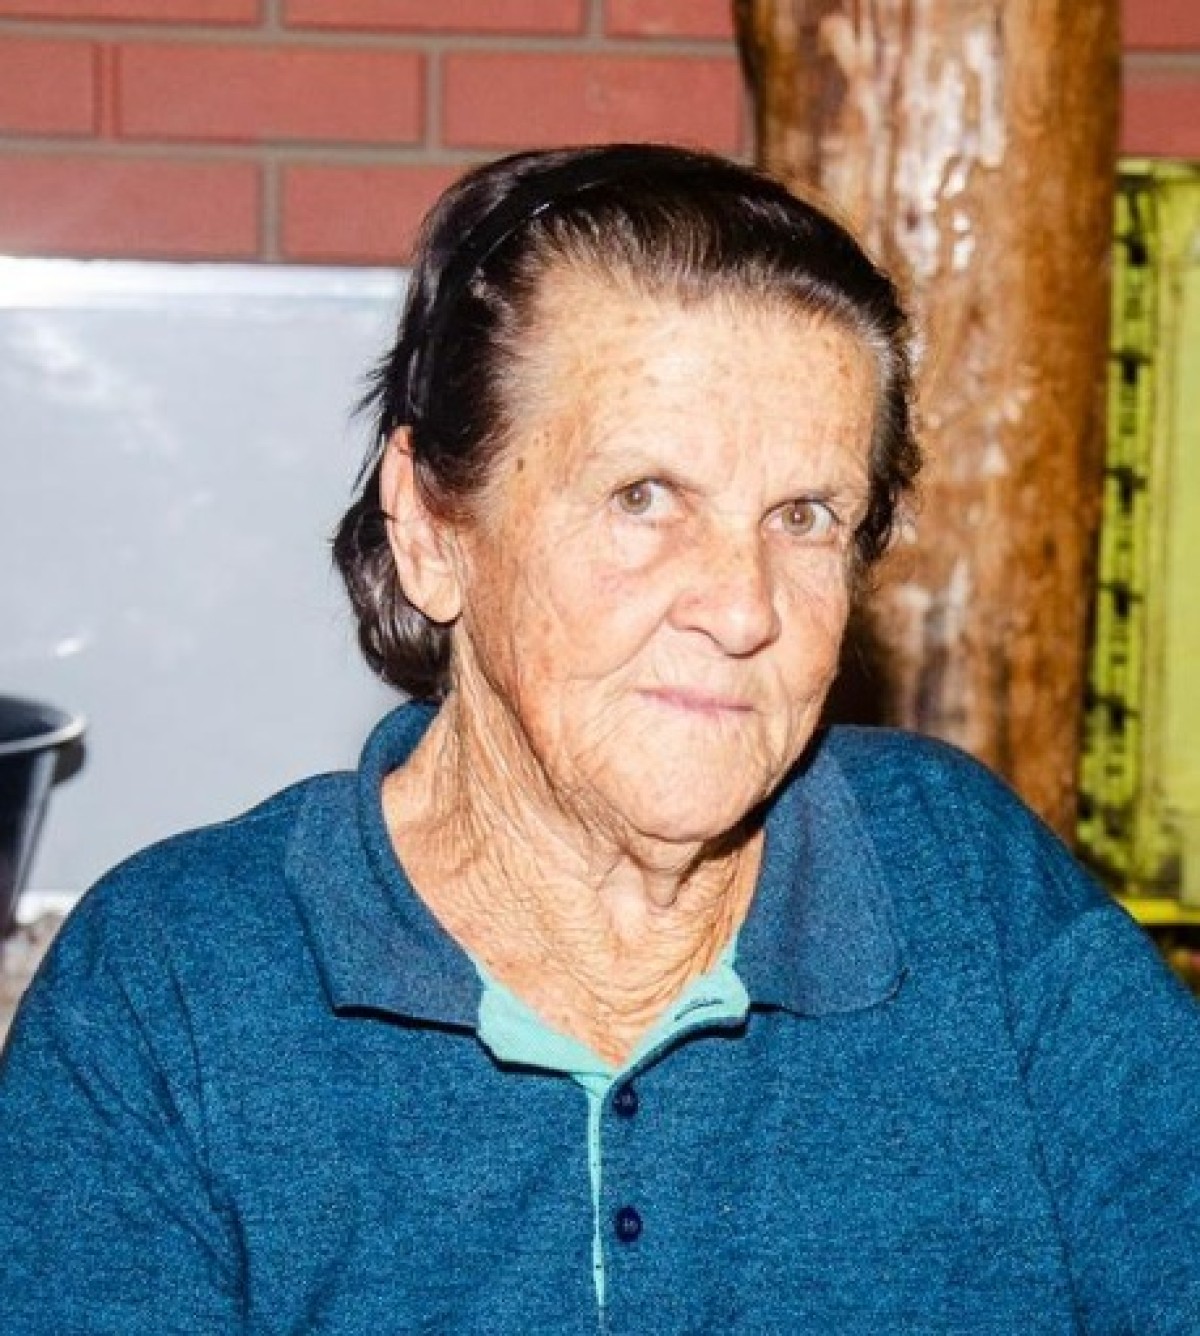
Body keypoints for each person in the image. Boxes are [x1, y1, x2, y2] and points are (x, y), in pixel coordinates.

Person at [1, 143, 1198, 1335]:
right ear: (428, 529)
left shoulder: (966, 887)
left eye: (804, 516)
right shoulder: (173, 990)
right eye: (644, 497)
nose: (743, 608)